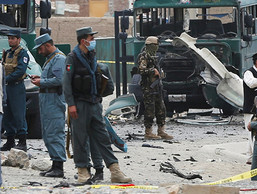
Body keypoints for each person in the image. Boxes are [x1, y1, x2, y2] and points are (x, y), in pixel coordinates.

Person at [62, 26, 131, 183]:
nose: (93, 41)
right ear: (83, 41)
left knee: (103, 138)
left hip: (94, 104)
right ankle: (83, 171)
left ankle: (115, 170)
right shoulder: (72, 58)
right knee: (79, 139)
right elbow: (66, 83)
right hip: (79, 105)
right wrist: (71, 104)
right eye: (91, 38)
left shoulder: (91, 56)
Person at [30, 34, 66, 177]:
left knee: (55, 133)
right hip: (47, 100)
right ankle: (54, 164)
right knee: (47, 133)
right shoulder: (50, 60)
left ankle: (59, 167)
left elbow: (59, 80)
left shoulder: (59, 59)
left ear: (47, 45)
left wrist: (42, 82)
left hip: (54, 101)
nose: (39, 52)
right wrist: (40, 79)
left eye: (40, 49)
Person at [138, 36, 173, 140]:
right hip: (148, 88)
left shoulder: (153, 56)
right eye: (155, 45)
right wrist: (152, 71)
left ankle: (161, 131)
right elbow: (141, 70)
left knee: (161, 109)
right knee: (150, 110)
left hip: (157, 87)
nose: (157, 47)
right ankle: (148, 132)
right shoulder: (144, 56)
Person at [1, 29, 29, 152]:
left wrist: (6, 79)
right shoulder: (7, 53)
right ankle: (10, 140)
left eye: (13, 38)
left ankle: (22, 141)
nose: (10, 40)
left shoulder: (23, 53)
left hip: (16, 87)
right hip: (7, 88)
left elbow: (20, 71)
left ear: (18, 39)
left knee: (19, 114)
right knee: (7, 114)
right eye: (9, 38)